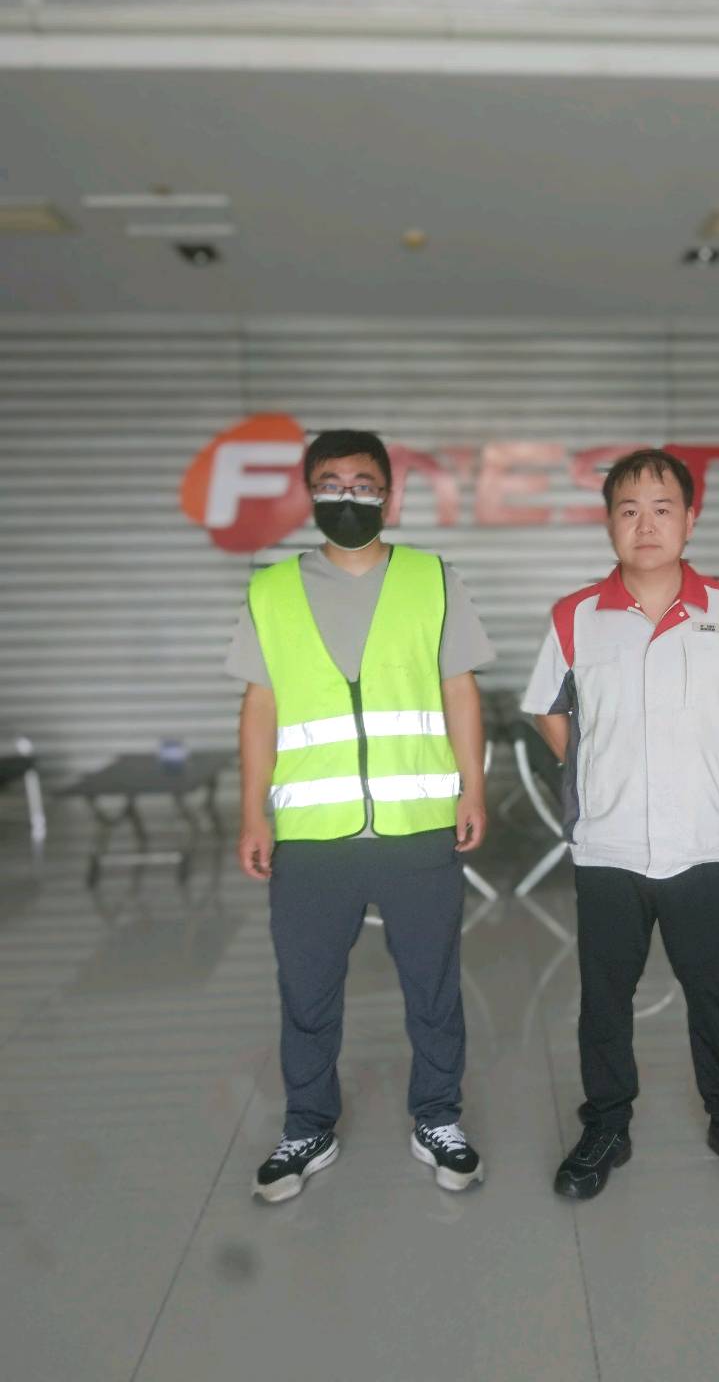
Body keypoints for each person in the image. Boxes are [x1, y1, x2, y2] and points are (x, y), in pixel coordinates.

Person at [226, 429, 494, 1203]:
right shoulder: (272, 590)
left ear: (388, 493)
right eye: (332, 482)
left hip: (418, 824)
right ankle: (307, 1127)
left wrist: (472, 789)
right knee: (307, 991)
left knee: (433, 987)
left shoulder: (432, 579)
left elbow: (459, 689)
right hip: (314, 834)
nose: (349, 496)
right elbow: (259, 708)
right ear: (309, 492)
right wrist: (253, 814)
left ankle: (438, 1118)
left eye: (364, 482)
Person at [520, 448, 719, 1200]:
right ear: (609, 522)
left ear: (690, 519)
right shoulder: (576, 616)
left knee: (715, 993)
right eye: (629, 509)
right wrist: (597, 768)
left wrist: (706, 766)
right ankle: (606, 1125)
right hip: (607, 846)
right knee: (605, 998)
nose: (646, 524)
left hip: (704, 843)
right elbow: (548, 710)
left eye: (662, 508)